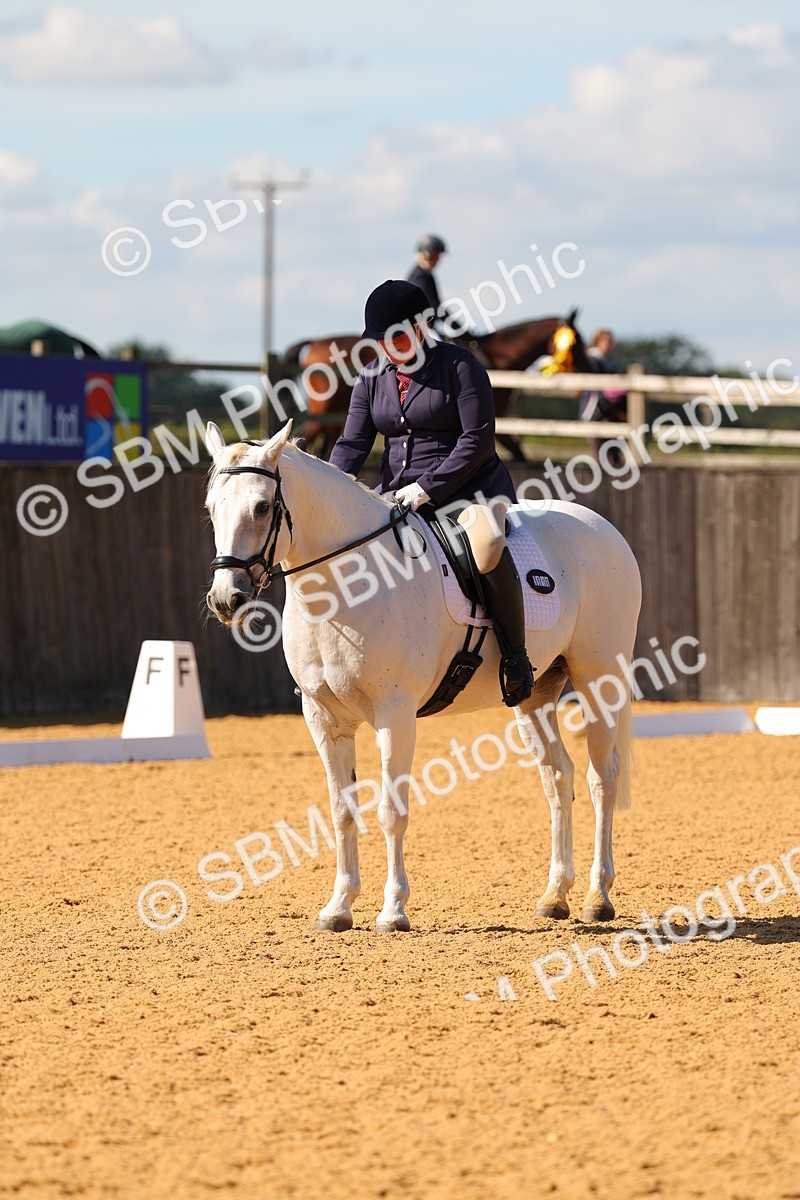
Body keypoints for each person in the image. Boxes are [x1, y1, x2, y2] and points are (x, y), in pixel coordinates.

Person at [328, 279, 534, 706]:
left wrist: (427, 487)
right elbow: (352, 445)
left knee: (488, 543)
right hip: (397, 495)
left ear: (422, 327)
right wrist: (329, 490)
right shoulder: (371, 378)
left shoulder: (460, 366)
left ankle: (516, 657)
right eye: (382, 340)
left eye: (398, 336)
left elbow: (477, 440)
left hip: (471, 491)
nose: (391, 347)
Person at [578, 328, 628, 465]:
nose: (611, 344)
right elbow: (597, 390)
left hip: (609, 414)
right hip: (594, 412)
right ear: (598, 342)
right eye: (608, 340)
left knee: (614, 457)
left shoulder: (611, 362)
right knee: (601, 458)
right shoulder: (592, 361)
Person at [406, 234, 447, 327]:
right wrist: (461, 330)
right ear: (428, 255)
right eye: (437, 257)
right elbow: (435, 307)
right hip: (420, 327)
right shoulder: (421, 276)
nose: (438, 261)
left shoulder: (424, 274)